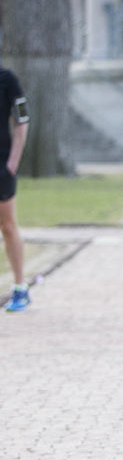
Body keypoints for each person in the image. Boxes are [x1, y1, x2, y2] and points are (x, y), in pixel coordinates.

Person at [1, 65, 31, 312]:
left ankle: (20, 287)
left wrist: (12, 162)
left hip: (2, 166)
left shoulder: (8, 79)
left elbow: (22, 119)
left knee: (7, 225)